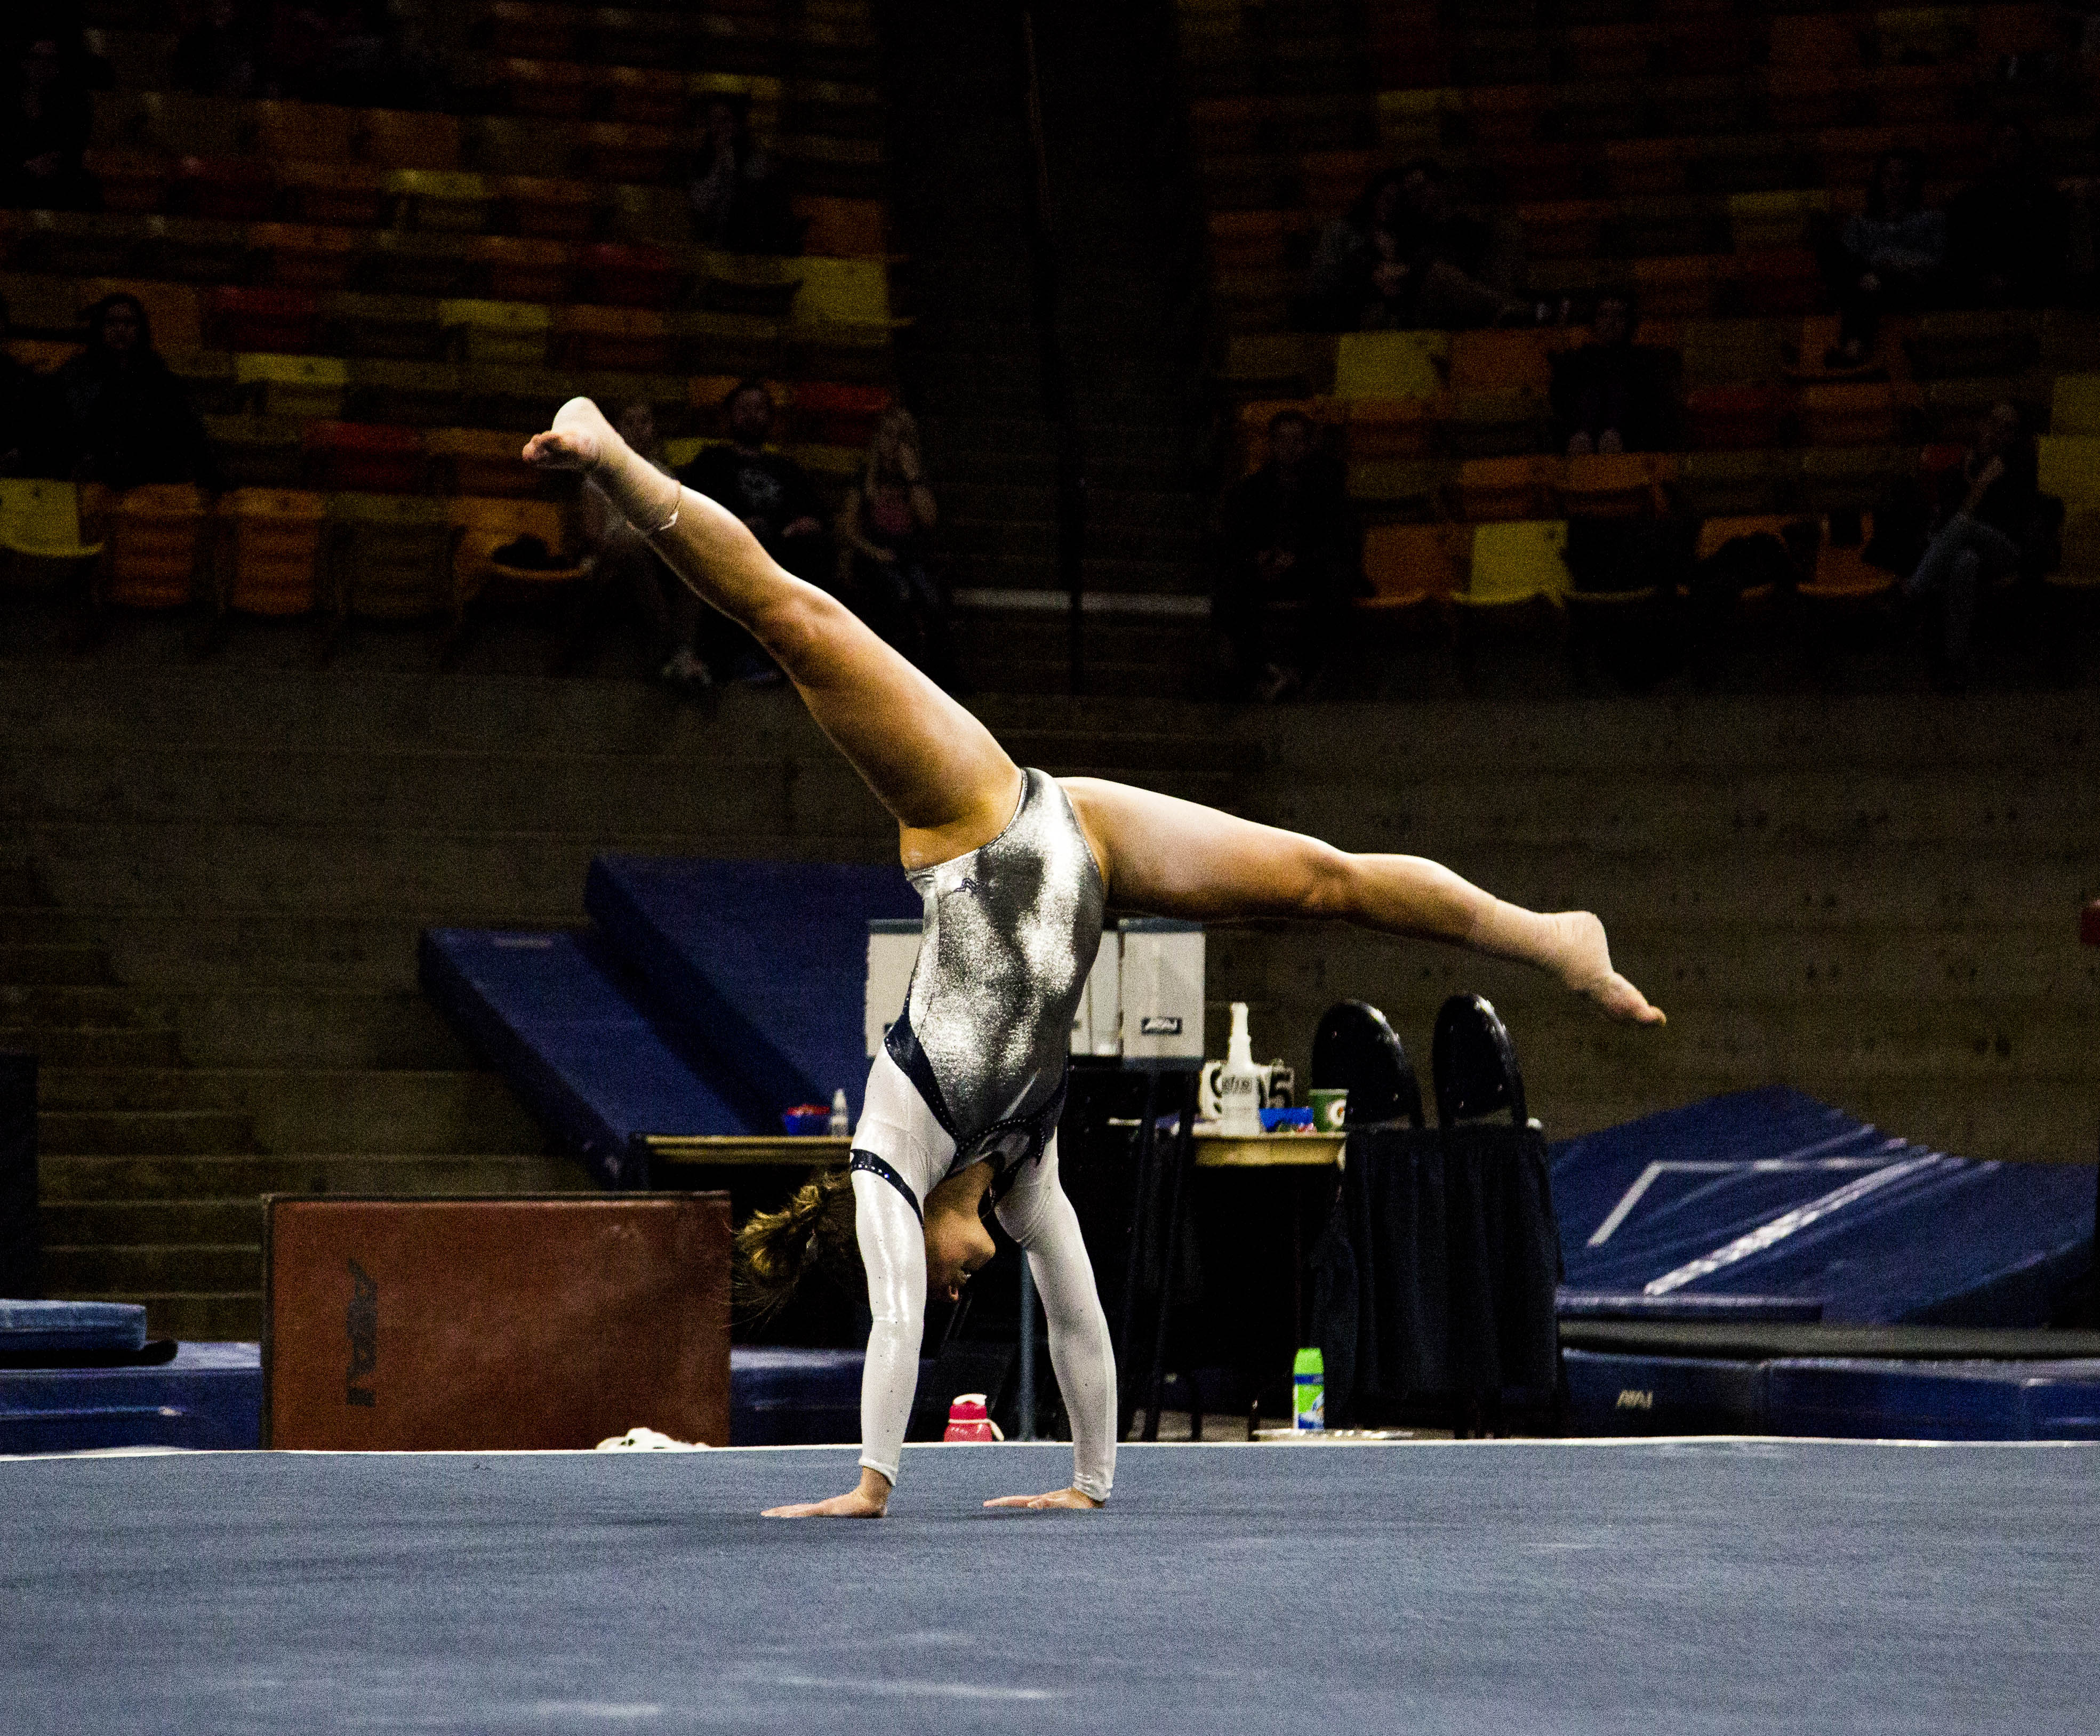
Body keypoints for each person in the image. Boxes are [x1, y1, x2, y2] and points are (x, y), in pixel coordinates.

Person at [522, 395, 1667, 1518]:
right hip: (1087, 840)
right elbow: (1076, 1312)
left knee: (797, 624)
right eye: (971, 1277)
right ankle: (1550, 936)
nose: (964, 1278)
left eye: (946, 1264)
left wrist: (872, 1483)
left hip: (976, 816)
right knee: (1324, 886)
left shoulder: (891, 1142)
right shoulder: (1019, 1161)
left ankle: (617, 463)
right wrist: (1090, 1481)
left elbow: (896, 1312)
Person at [677, 381, 829, 683]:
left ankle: (804, 663)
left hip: (781, 551)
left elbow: (818, 517)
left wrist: (802, 526)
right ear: (729, 415)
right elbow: (687, 510)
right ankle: (736, 660)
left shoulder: (786, 468)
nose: (752, 416)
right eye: (744, 408)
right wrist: (738, 528)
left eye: (760, 408)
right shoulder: (711, 462)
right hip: (724, 549)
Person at [1895, 403, 2054, 685]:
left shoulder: (2019, 465)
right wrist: (1977, 479)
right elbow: (1956, 514)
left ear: (2016, 435)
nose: (1998, 432)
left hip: (2007, 550)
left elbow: (2008, 521)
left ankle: (1914, 589)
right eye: (1994, 423)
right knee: (1964, 562)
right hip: (1973, 552)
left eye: (2008, 428)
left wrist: (1985, 483)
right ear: (1984, 425)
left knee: (1967, 529)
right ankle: (1955, 661)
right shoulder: (1968, 465)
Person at [1215, 408, 1364, 701]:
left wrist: (1298, 559)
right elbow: (1236, 537)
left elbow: (1342, 542)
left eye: (1296, 440)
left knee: (1335, 584)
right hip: (1265, 569)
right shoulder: (1252, 489)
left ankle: (1302, 671)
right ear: (1271, 444)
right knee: (1230, 584)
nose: (1289, 447)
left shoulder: (1329, 487)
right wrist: (1258, 558)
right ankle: (1263, 669)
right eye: (1281, 440)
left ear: (1309, 444)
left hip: (1310, 570)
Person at [572, 400, 711, 688]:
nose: (638, 430)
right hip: (615, 554)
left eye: (644, 422)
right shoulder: (598, 474)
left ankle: (684, 652)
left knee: (692, 564)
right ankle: (672, 653)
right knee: (636, 554)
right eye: (629, 423)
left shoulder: (664, 475)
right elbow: (594, 535)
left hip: (656, 550)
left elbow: (677, 523)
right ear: (616, 430)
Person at [1308, 162, 1524, 332]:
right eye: (1409, 194)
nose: (1415, 198)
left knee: (1439, 274)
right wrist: (1379, 269)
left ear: (1440, 187)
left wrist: (1404, 270)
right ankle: (1511, 311)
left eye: (1420, 189)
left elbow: (1457, 264)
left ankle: (1509, 311)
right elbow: (1357, 262)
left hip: (1449, 302)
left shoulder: (1465, 227)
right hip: (1411, 305)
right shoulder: (1408, 230)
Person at [835, 407, 956, 686]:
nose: (894, 445)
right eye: (889, 436)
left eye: (902, 438)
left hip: (909, 556)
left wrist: (912, 477)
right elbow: (848, 528)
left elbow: (929, 520)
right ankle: (896, 675)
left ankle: (935, 675)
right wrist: (874, 552)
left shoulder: (915, 478)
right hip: (875, 554)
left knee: (930, 597)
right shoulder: (865, 476)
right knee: (899, 594)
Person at [46, 293, 215, 491]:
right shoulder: (75, 376)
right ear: (99, 328)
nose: (120, 330)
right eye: (111, 323)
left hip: (152, 481)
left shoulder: (160, 378)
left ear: (140, 328)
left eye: (129, 323)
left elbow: (186, 431)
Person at [1815, 148, 1944, 372]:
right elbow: (1845, 262)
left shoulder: (1930, 220)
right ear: (1879, 180)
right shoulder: (1860, 224)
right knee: (1833, 249)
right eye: (1889, 176)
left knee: (1868, 284)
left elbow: (1938, 260)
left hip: (1909, 287)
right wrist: (1868, 273)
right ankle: (1855, 344)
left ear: (1913, 181)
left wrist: (1893, 265)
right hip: (1868, 286)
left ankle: (1854, 349)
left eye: (1902, 177)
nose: (1895, 184)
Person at [1944, 122, 2072, 309]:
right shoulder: (1969, 199)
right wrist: (1984, 279)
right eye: (1999, 143)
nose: (2004, 149)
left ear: (2025, 149)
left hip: (2032, 288)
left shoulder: (2045, 198)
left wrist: (2016, 279)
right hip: (1979, 288)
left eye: (2011, 142)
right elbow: (1961, 248)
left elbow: (2051, 249)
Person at [1550, 292, 1679, 456]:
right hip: (1584, 436)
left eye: (1619, 315)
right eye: (1604, 315)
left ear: (1628, 322)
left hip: (1631, 437)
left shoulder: (1642, 360)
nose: (1611, 322)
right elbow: (1562, 399)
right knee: (1581, 441)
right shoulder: (1582, 358)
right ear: (1595, 320)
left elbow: (1648, 407)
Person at [687, 95, 798, 255]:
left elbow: (753, 204)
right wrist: (719, 164)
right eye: (714, 121)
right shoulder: (702, 160)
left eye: (725, 120)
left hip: (751, 247)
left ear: (738, 124)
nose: (719, 128)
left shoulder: (755, 158)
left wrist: (733, 171)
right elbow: (701, 206)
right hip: (714, 245)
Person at [2, 32, 99, 213]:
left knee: (83, 188)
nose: (43, 66)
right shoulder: (7, 104)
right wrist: (25, 167)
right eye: (36, 58)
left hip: (55, 178)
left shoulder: (73, 105)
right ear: (23, 62)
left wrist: (51, 164)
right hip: (13, 175)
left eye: (51, 60)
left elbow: (72, 148)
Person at [172, 0, 264, 99]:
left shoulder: (242, 33)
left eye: (225, 4)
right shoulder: (195, 36)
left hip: (235, 99)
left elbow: (248, 70)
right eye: (216, 4)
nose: (221, 8)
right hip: (203, 98)